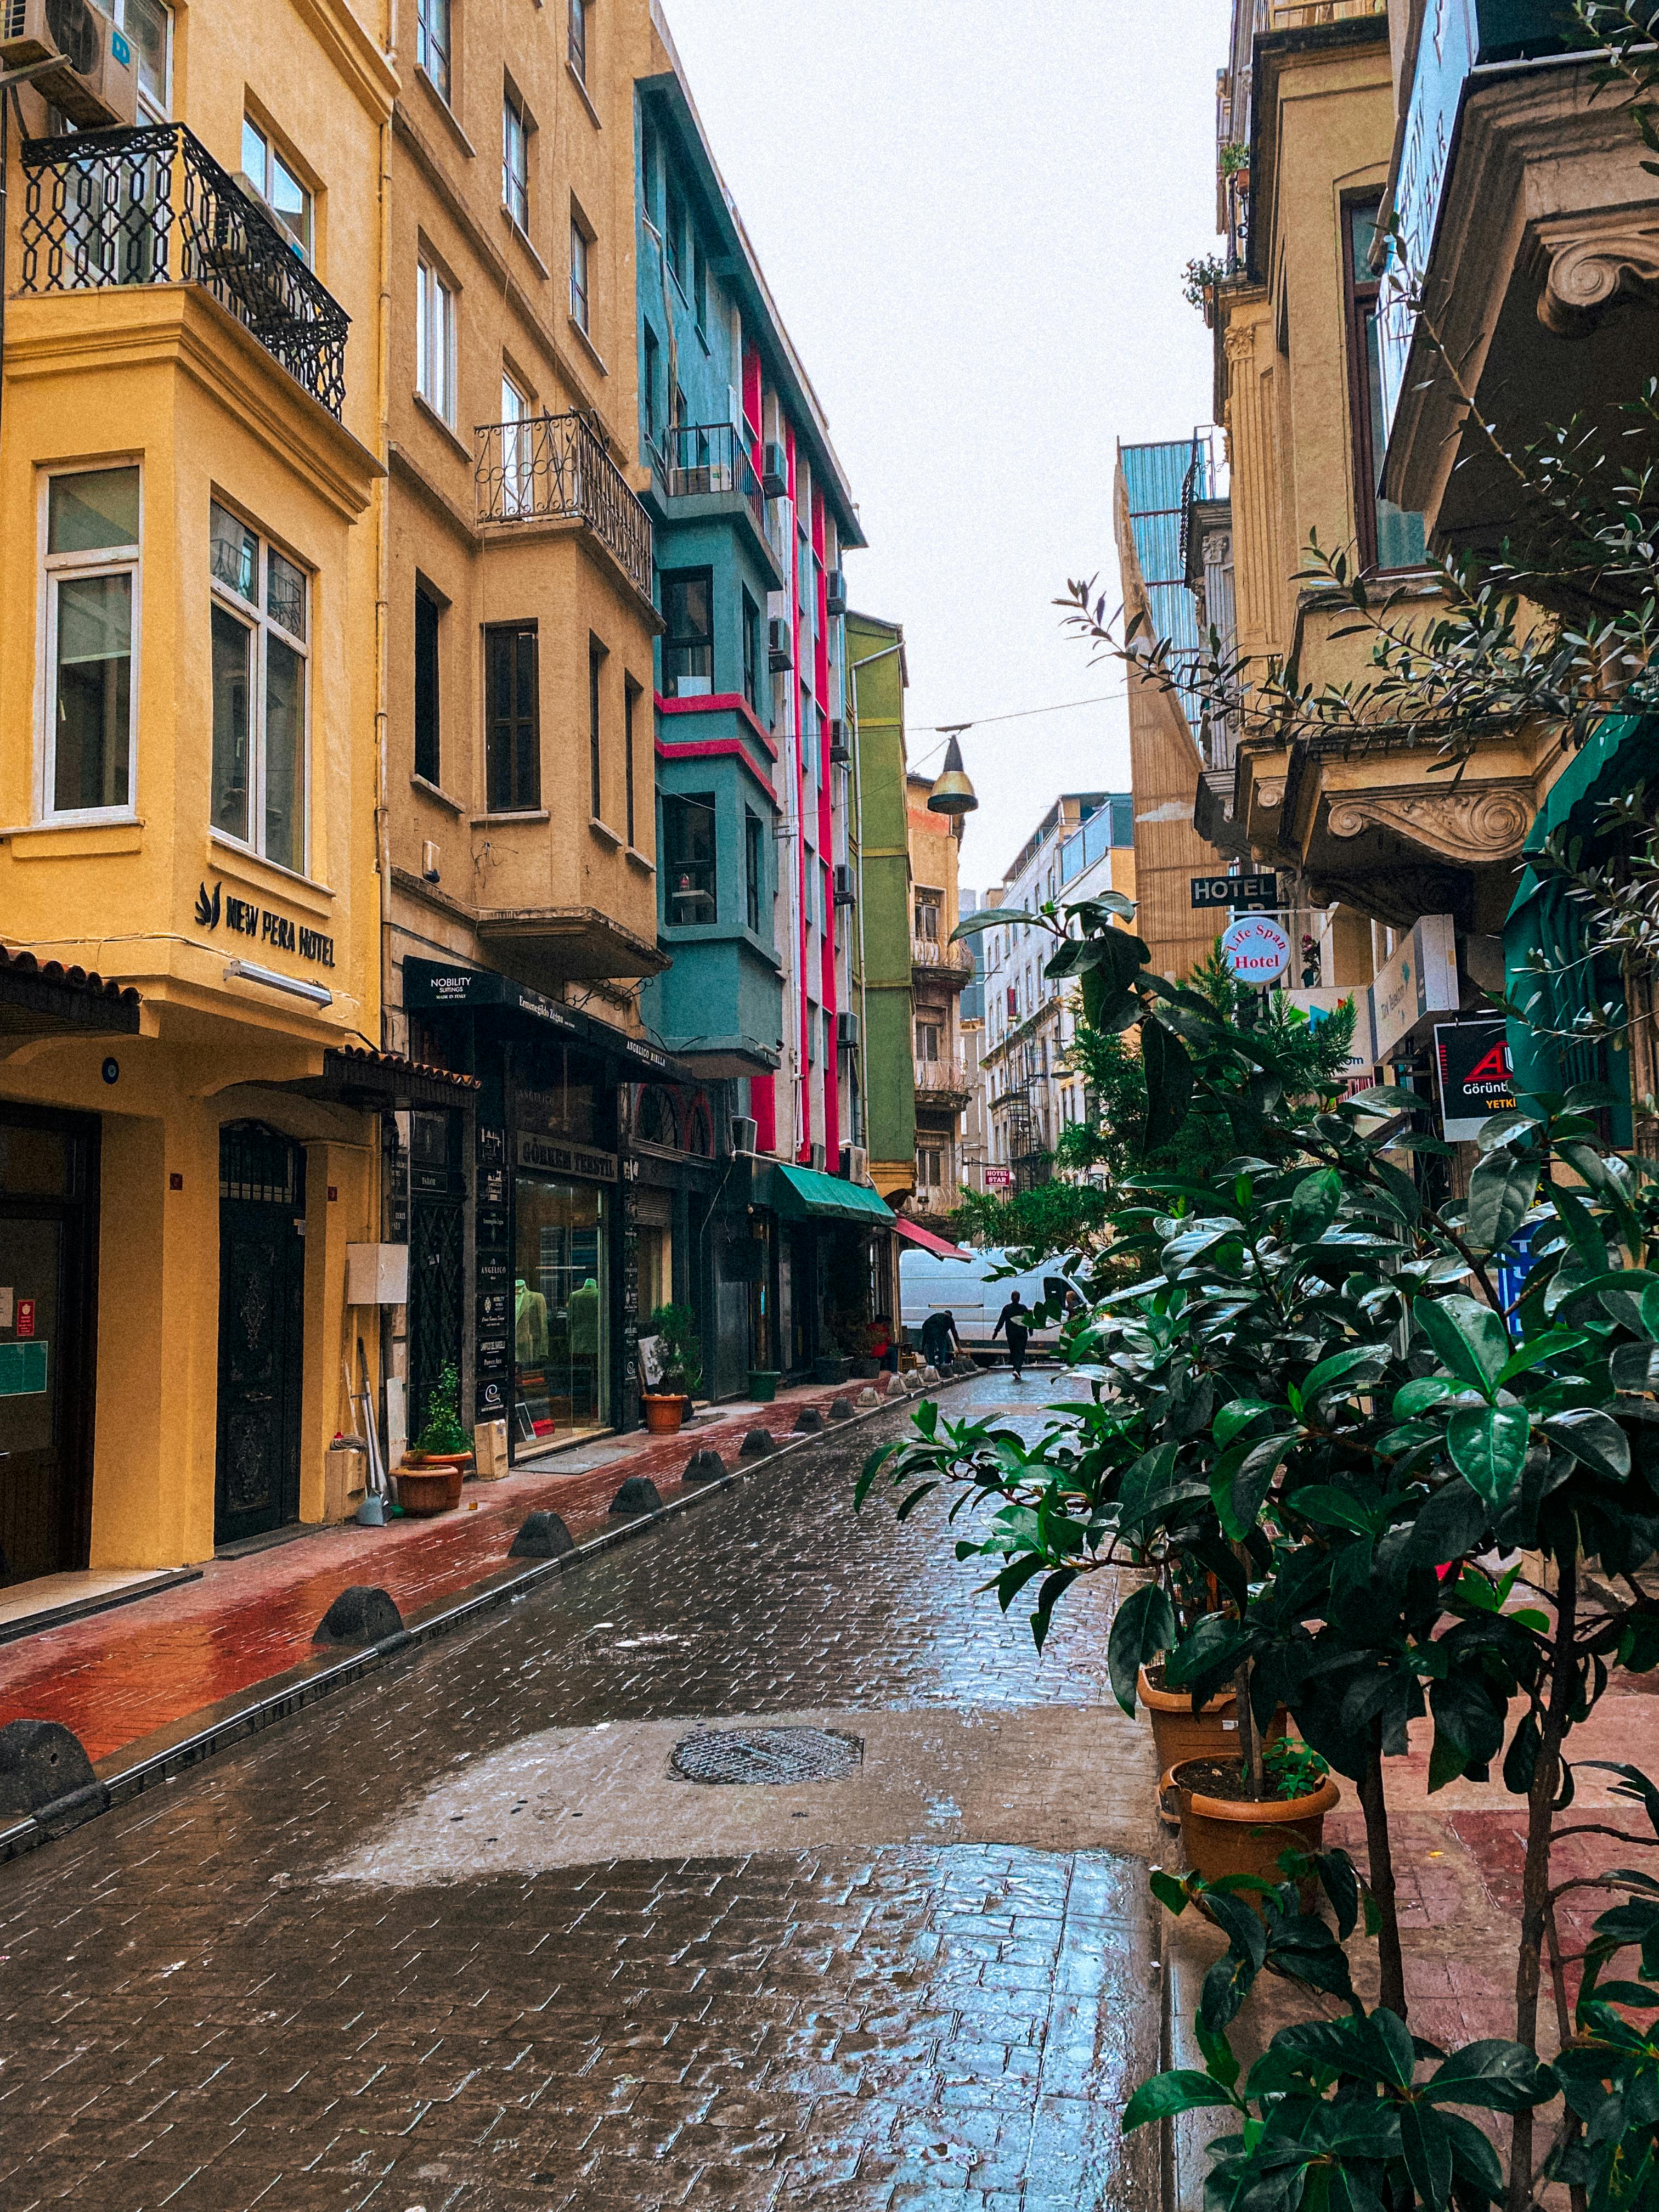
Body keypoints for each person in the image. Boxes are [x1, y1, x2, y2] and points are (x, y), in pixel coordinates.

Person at [992, 1289, 1030, 1381]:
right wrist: (1031, 1330)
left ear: (1011, 1298)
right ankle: (1017, 1370)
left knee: (1013, 1352)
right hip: (1022, 1334)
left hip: (1011, 1334)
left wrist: (996, 1332)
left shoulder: (1007, 1308)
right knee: (1021, 1352)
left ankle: (1015, 1369)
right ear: (1019, 1298)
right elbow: (1029, 1320)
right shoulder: (1023, 1308)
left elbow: (1001, 1321)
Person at [919, 1307, 961, 1372]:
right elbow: (955, 1334)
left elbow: (925, 1335)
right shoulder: (950, 1319)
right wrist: (959, 1348)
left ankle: (931, 1365)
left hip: (926, 1326)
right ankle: (942, 1363)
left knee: (930, 1345)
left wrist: (922, 1347)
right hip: (938, 1329)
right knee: (942, 1344)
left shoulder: (937, 1315)